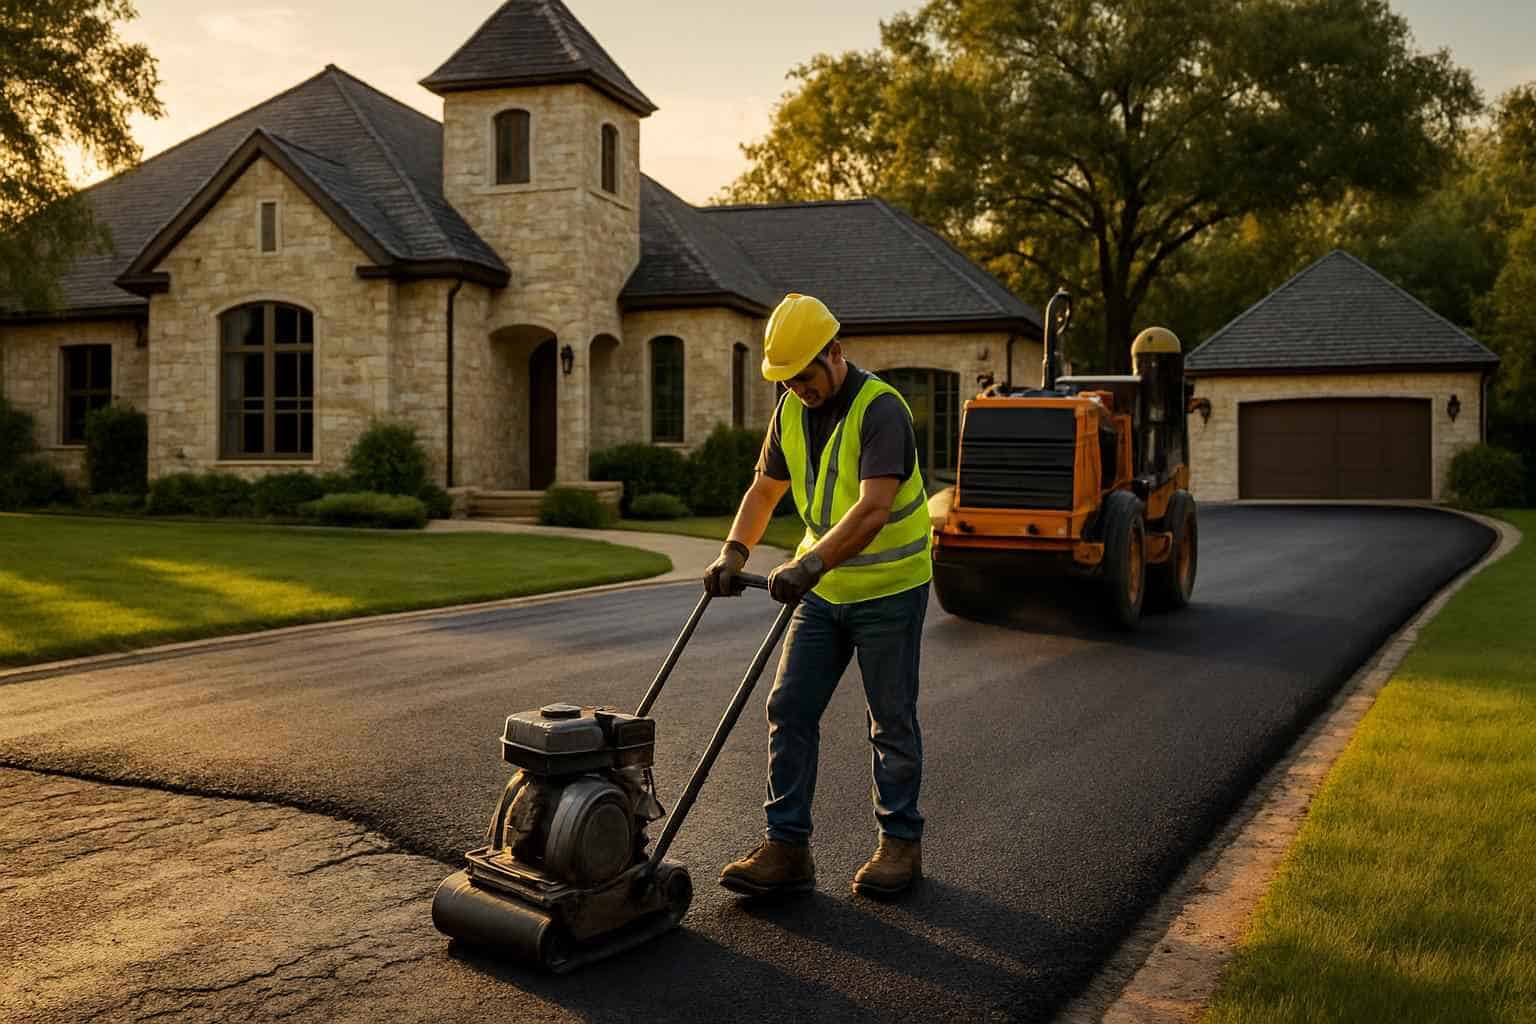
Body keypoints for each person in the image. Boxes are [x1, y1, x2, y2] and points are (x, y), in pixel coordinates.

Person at [704, 292, 932, 900]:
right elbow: (764, 490)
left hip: (889, 588)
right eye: (787, 379)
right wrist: (734, 551)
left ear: (835, 352)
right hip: (822, 588)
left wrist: (808, 564)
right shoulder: (789, 413)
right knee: (790, 709)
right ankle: (786, 849)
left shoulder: (882, 409)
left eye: (805, 375)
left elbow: (873, 510)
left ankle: (900, 845)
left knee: (890, 719)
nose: (799, 388)